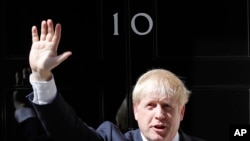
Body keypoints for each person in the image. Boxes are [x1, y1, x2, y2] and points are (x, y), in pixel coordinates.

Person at [23, 19, 206, 141]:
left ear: (181, 112)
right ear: (135, 110)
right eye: (150, 105)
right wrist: (42, 76)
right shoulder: (112, 137)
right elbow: (68, 133)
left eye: (167, 106)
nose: (159, 114)